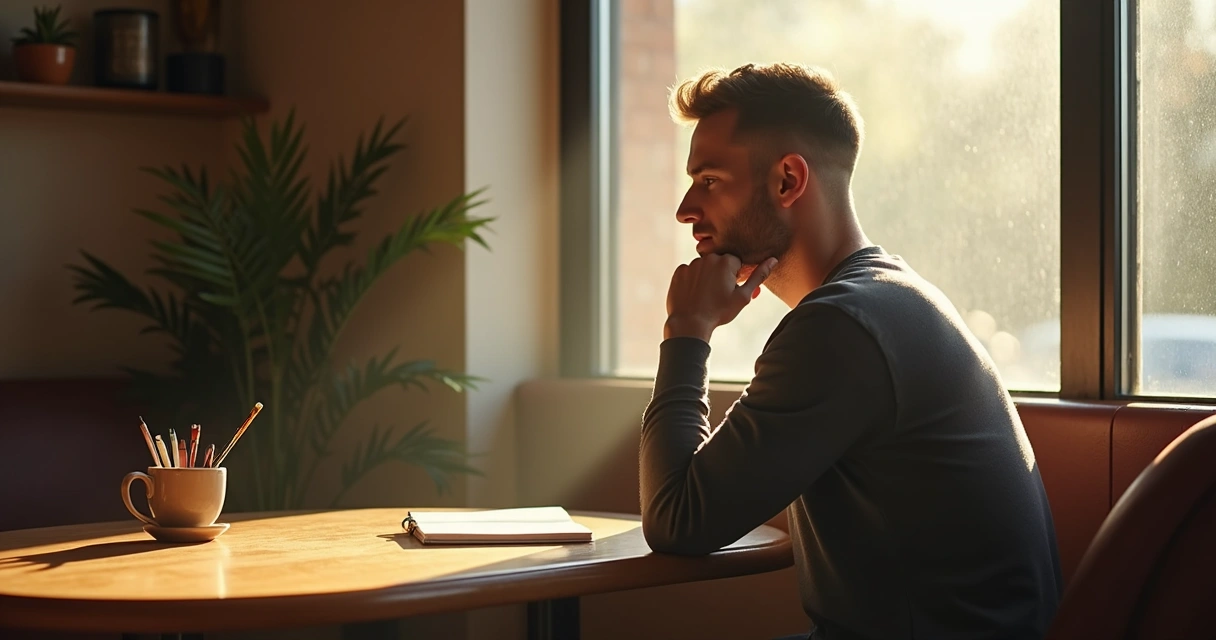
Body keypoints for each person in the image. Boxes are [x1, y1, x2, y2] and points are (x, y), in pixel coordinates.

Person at [639, 62, 1062, 640]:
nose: (686, 208)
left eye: (709, 180)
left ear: (788, 180)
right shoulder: (883, 298)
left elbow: (677, 520)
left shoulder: (842, 327)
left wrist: (686, 331)